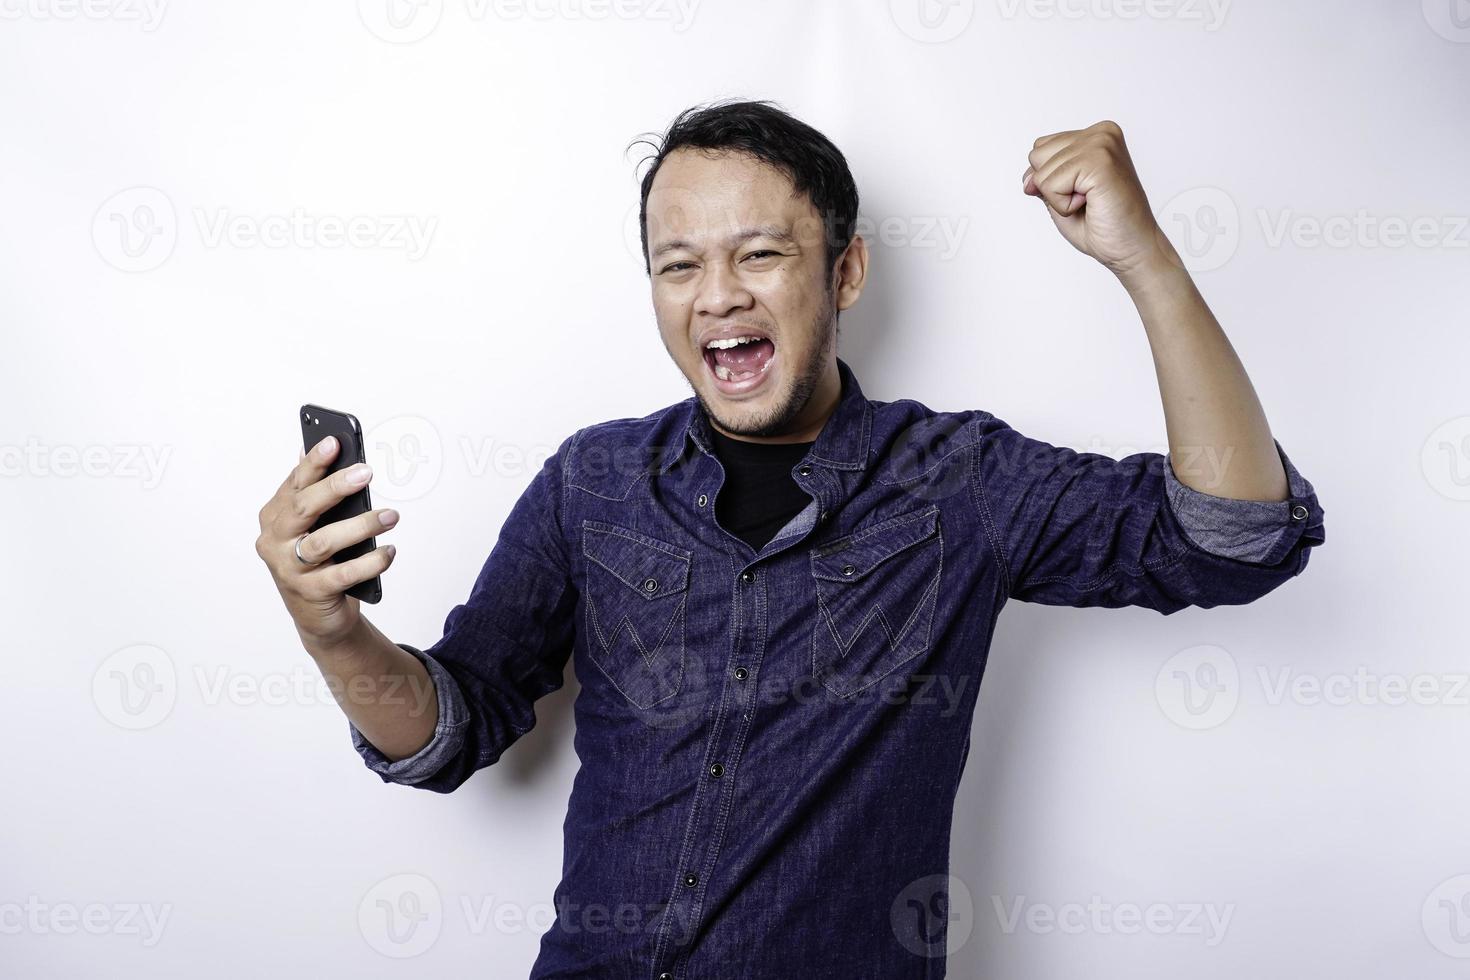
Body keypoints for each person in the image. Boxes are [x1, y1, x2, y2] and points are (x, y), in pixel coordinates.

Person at [255, 99, 1325, 978]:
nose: (717, 294)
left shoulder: (964, 481)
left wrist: (1142, 257)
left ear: (846, 272)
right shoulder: (592, 480)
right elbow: (449, 734)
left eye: (759, 253)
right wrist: (331, 631)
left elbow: (1234, 537)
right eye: (679, 266)